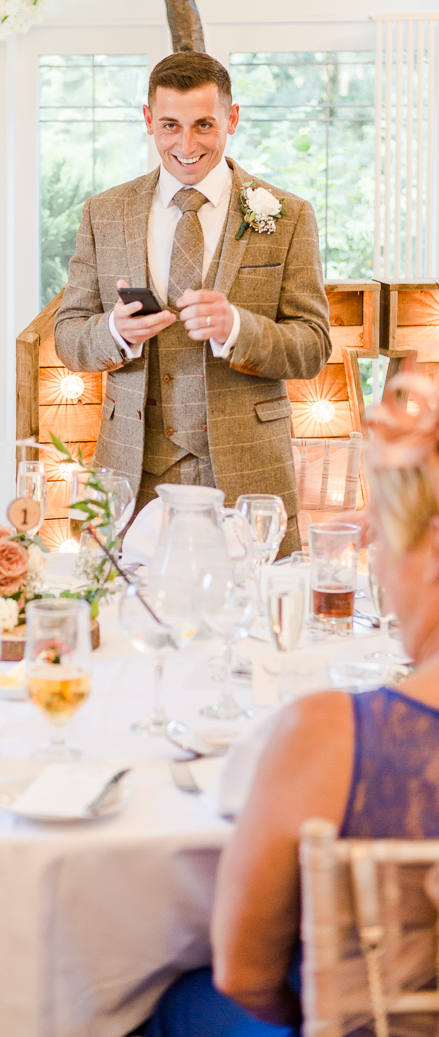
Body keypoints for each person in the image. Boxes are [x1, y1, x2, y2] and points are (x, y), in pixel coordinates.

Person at [142, 370, 439, 1036]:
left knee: (157, 1002)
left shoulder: (330, 735)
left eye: (381, 537)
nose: (378, 566)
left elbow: (244, 975)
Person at [54, 52, 331, 558]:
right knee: (122, 617)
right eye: (170, 125)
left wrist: (239, 328)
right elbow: (69, 334)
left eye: (204, 124)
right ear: (147, 121)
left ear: (231, 118)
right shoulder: (104, 212)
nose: (186, 145)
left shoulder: (289, 215)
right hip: (130, 472)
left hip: (248, 473)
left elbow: (313, 346)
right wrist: (114, 332)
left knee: (251, 621)